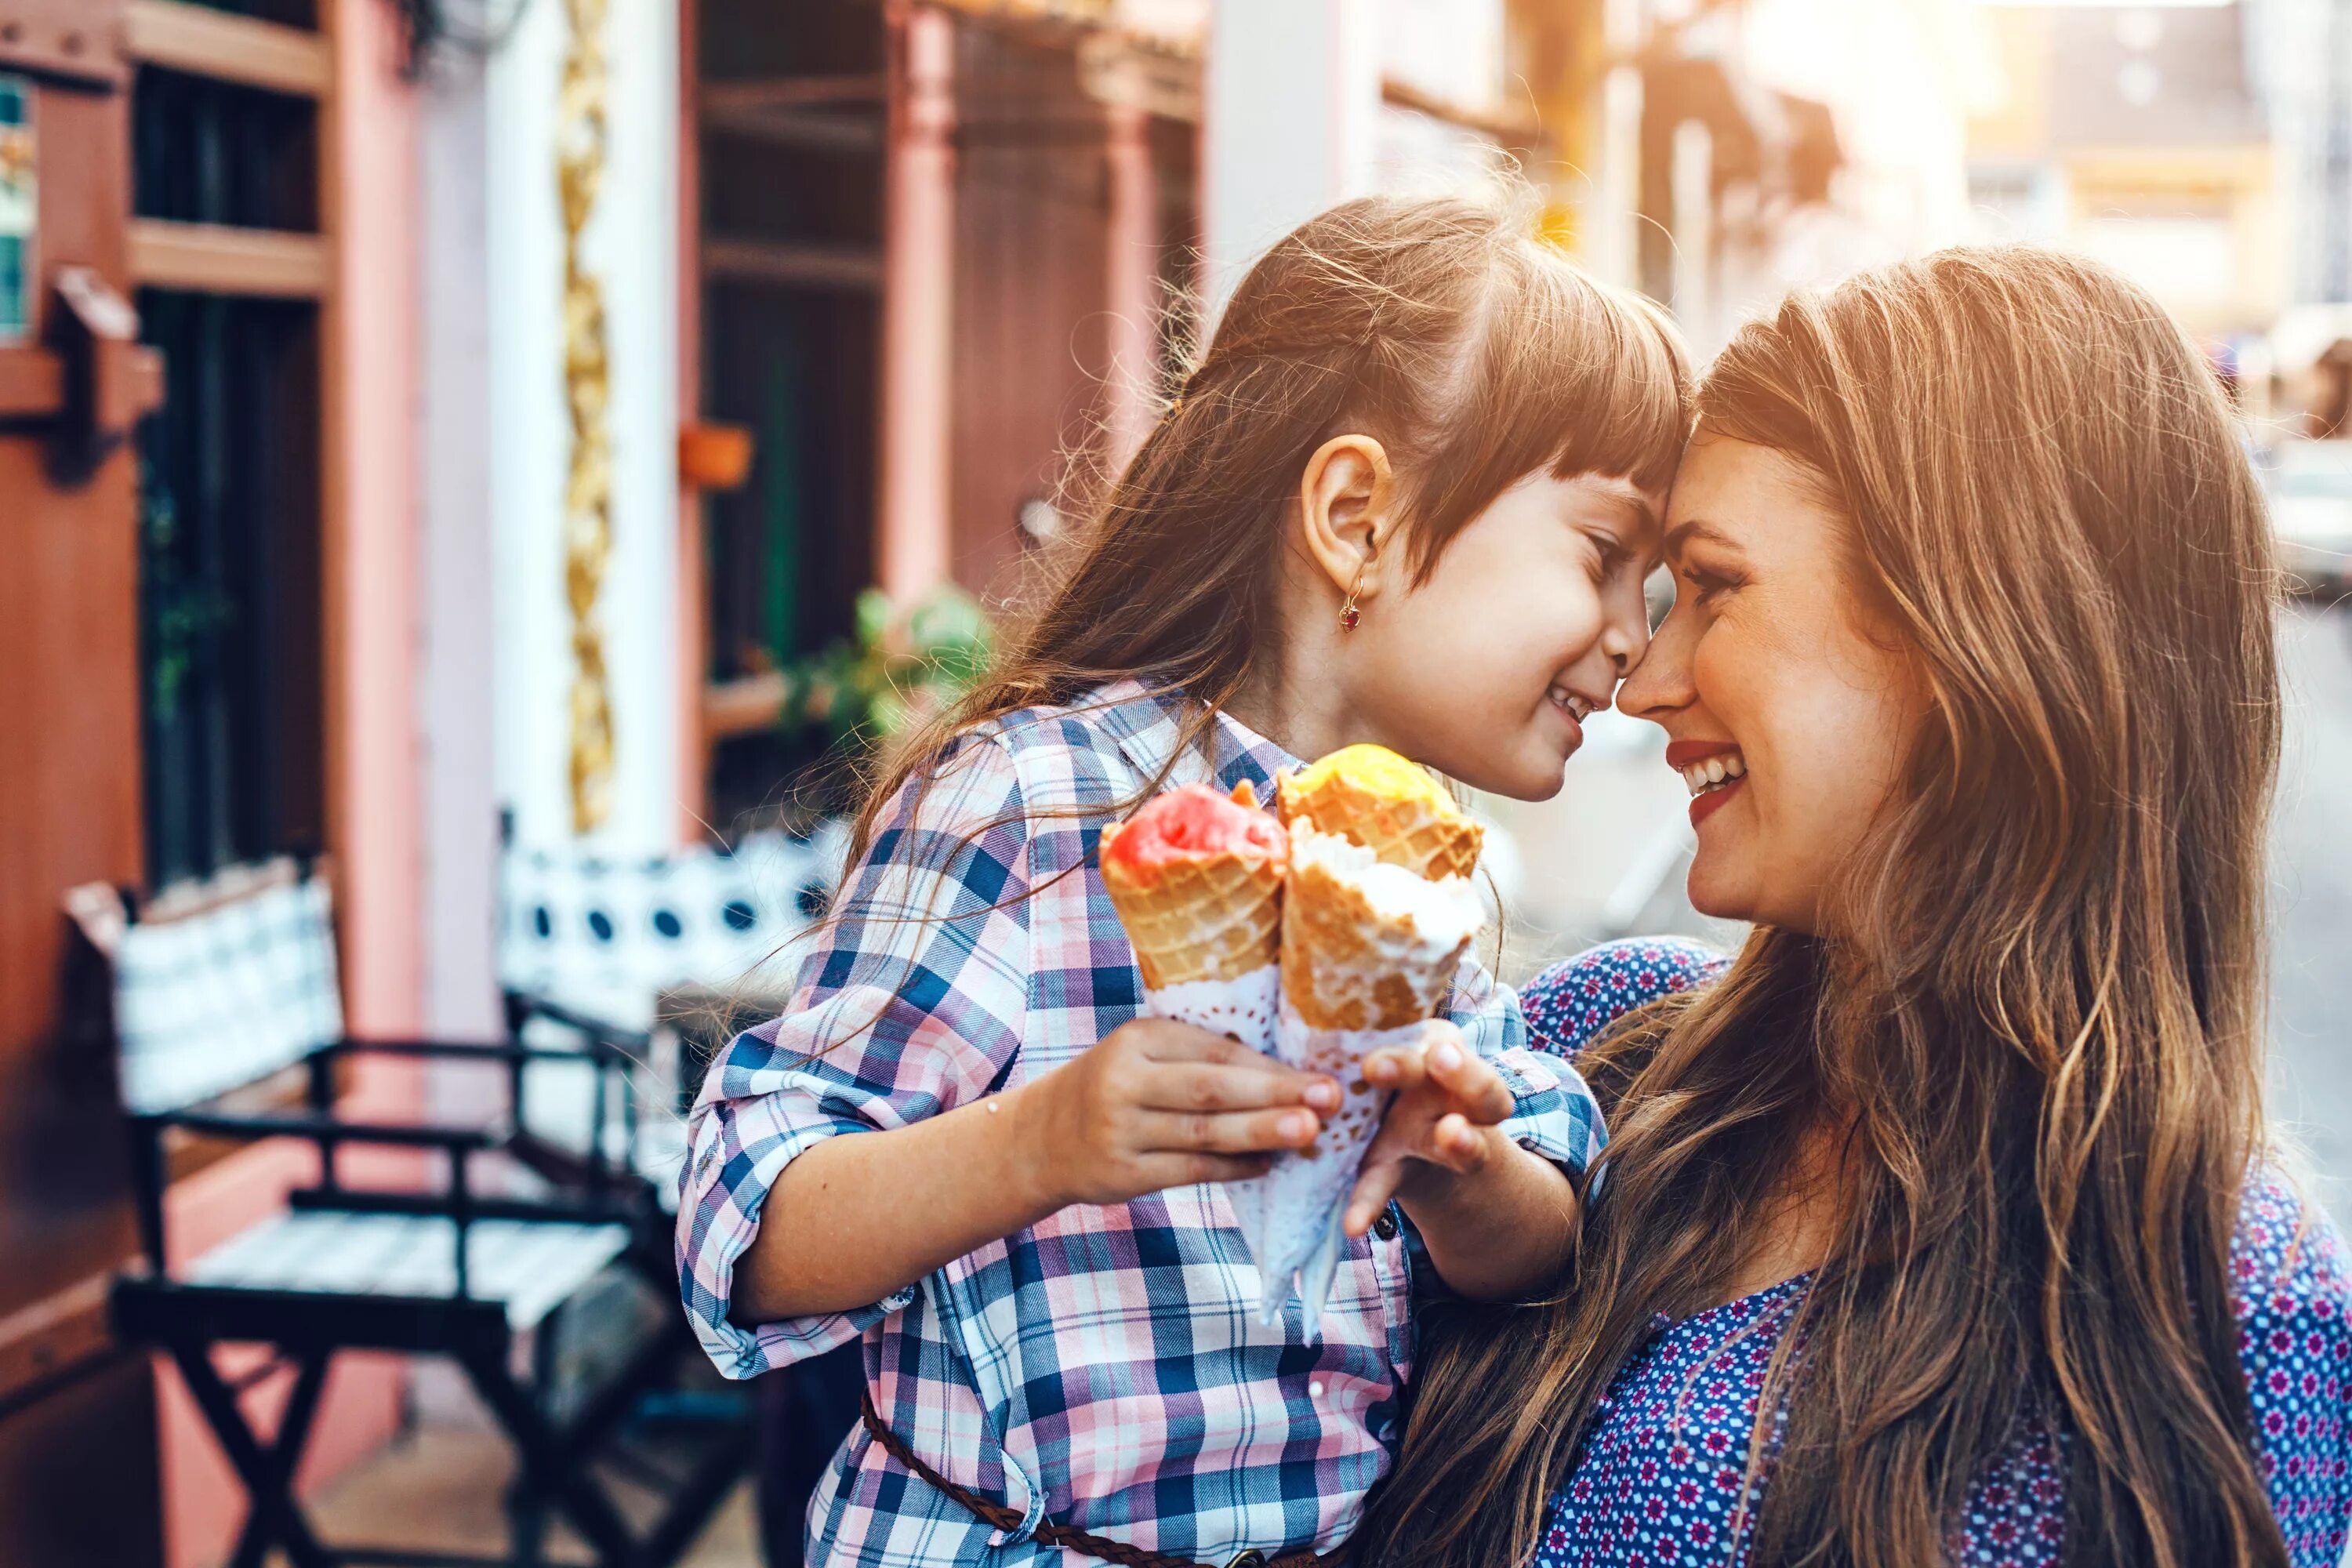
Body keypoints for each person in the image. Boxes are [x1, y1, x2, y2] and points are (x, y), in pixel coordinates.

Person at [675, 191, 1692, 1568]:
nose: (1638, 636)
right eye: (1605, 557)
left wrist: (1461, 1169)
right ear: (1356, 516)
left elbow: (1548, 1235)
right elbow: (748, 1228)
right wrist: (1039, 1144)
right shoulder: (1037, 805)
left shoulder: (1418, 865)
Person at [1360, 246, 2352, 1568]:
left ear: (1974, 631)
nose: (1643, 680)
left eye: (1712, 587)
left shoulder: (2229, 1303)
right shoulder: (1596, 1051)